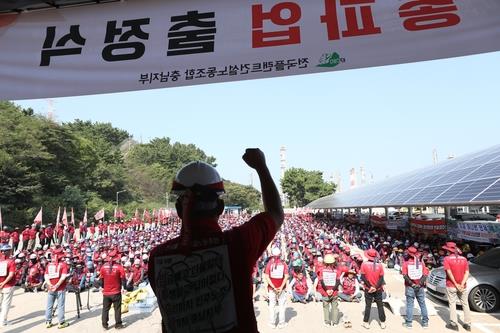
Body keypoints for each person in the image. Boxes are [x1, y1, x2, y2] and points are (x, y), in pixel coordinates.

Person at [148, 148, 284, 333]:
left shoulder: (158, 257)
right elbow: (275, 213)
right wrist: (261, 166)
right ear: (220, 207)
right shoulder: (239, 243)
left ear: (179, 210)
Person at [442, 242, 471, 332]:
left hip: (451, 285)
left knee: (452, 304)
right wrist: (461, 284)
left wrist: (456, 284)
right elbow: (467, 273)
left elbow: (449, 272)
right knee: (465, 304)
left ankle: (454, 324)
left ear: (448, 250)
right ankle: (467, 324)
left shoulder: (447, 259)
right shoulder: (464, 259)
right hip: (463, 286)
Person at [401, 246, 429, 328]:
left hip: (410, 287)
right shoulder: (421, 263)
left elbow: (405, 276)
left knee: (410, 305)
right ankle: (425, 323)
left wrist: (412, 284)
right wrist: (419, 284)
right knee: (422, 304)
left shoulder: (405, 264)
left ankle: (409, 323)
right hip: (420, 287)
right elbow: (425, 275)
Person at [99, 250, 125, 330]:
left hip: (106, 293)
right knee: (117, 309)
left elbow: (101, 279)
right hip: (116, 292)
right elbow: (123, 279)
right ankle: (118, 325)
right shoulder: (119, 267)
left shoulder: (103, 267)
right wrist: (124, 288)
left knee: (105, 309)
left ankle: (105, 325)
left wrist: (102, 288)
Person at [360, 248, 386, 329]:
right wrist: (375, 287)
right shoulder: (379, 265)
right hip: (378, 289)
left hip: (368, 288)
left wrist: (370, 287)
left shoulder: (364, 264)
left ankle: (366, 322)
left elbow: (363, 277)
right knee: (380, 305)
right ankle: (382, 322)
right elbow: (381, 278)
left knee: (368, 306)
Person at [44, 248, 70, 329]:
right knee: (60, 305)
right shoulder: (63, 264)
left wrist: (50, 285)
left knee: (49, 305)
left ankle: (48, 321)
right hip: (60, 288)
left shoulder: (49, 265)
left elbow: (46, 276)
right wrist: (57, 285)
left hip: (50, 288)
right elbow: (63, 277)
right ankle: (61, 322)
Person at [264, 247, 289, 329]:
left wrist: (274, 287)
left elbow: (267, 276)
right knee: (282, 305)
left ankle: (272, 323)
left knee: (272, 305)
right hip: (281, 288)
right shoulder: (283, 263)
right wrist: (281, 287)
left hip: (272, 289)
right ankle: (281, 323)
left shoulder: (269, 263)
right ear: (280, 254)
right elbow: (286, 276)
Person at [318, 253, 341, 327]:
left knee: (326, 308)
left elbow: (321, 281)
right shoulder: (337, 271)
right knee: (335, 307)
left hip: (325, 292)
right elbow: (338, 282)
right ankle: (334, 322)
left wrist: (327, 290)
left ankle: (327, 322)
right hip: (334, 292)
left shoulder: (321, 270)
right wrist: (332, 290)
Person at [0, 245, 16, 327]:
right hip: (8, 285)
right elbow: (11, 275)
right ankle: (3, 321)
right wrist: (3, 283)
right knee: (6, 304)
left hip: (1, 285)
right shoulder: (11, 261)